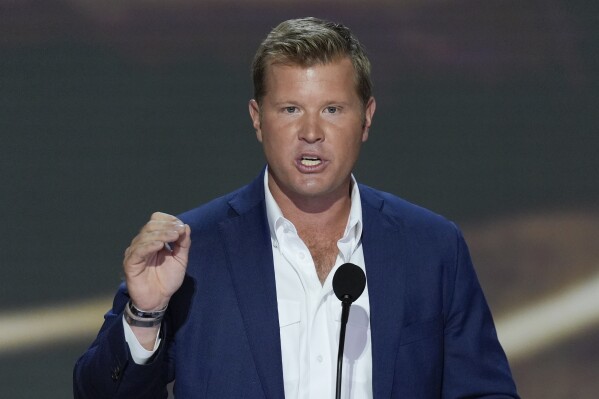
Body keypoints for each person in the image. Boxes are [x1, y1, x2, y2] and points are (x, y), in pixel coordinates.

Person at [74, 17, 519, 399]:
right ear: (256, 118)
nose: (311, 131)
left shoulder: (432, 246)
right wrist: (145, 315)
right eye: (290, 108)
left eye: (332, 109)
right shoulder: (190, 250)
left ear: (366, 118)